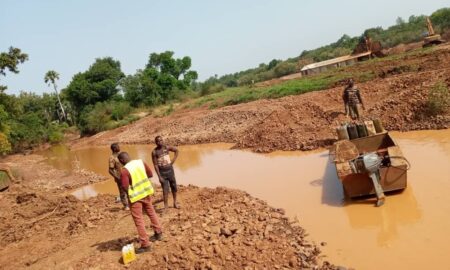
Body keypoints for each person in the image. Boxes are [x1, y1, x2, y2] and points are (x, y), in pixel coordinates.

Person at [118, 152, 163, 254]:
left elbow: (124, 186)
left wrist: (130, 194)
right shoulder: (140, 162)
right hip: (146, 192)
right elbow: (150, 174)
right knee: (151, 212)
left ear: (122, 160)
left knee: (139, 220)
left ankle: (145, 244)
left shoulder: (124, 170)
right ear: (129, 157)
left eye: (120, 161)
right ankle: (158, 233)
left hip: (136, 197)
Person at [152, 136, 179, 210]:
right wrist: (159, 176)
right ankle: (166, 207)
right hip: (162, 173)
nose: (160, 142)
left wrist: (173, 161)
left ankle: (175, 203)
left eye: (161, 140)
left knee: (174, 187)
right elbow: (155, 165)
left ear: (163, 140)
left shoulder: (166, 148)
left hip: (170, 171)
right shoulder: (154, 152)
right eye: (158, 141)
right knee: (165, 190)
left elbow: (176, 150)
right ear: (156, 142)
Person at [108, 143, 129, 210]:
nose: (119, 147)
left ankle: (132, 202)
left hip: (127, 174)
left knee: (130, 189)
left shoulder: (121, 154)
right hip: (119, 176)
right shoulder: (112, 158)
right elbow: (110, 170)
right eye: (118, 147)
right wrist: (117, 178)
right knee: (122, 191)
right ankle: (126, 205)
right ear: (114, 149)